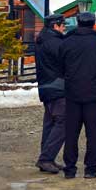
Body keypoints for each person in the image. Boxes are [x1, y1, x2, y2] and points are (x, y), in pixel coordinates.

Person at [59, 12, 96, 178]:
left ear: (78, 23)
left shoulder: (67, 41)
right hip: (94, 92)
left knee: (71, 132)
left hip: (72, 91)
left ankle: (70, 168)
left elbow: (60, 65)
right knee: (94, 132)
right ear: (93, 23)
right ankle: (91, 168)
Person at [35, 14, 67, 174]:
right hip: (58, 85)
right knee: (63, 121)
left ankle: (46, 158)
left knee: (50, 122)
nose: (64, 27)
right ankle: (46, 158)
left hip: (46, 85)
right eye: (63, 25)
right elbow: (65, 61)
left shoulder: (42, 39)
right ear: (56, 26)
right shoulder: (55, 42)